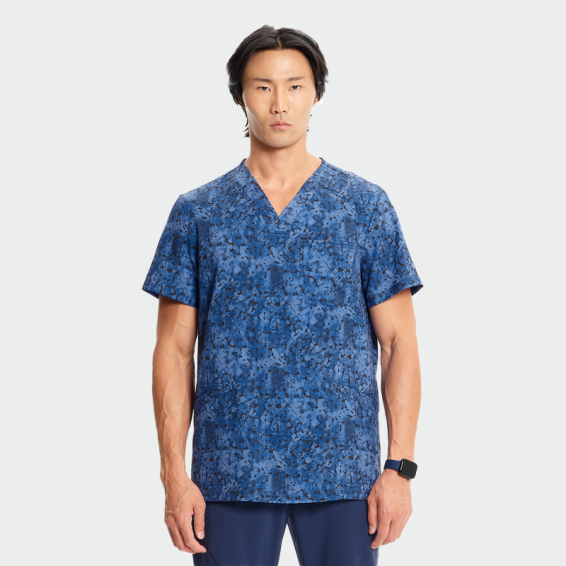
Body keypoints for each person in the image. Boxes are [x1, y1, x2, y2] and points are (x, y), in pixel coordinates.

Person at [142, 25, 424, 566]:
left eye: (295, 86)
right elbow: (173, 352)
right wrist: (173, 476)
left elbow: (399, 343)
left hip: (344, 472)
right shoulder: (198, 213)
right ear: (240, 96)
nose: (279, 103)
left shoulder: (363, 207)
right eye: (263, 87)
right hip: (229, 473)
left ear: (316, 94)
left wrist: (400, 468)